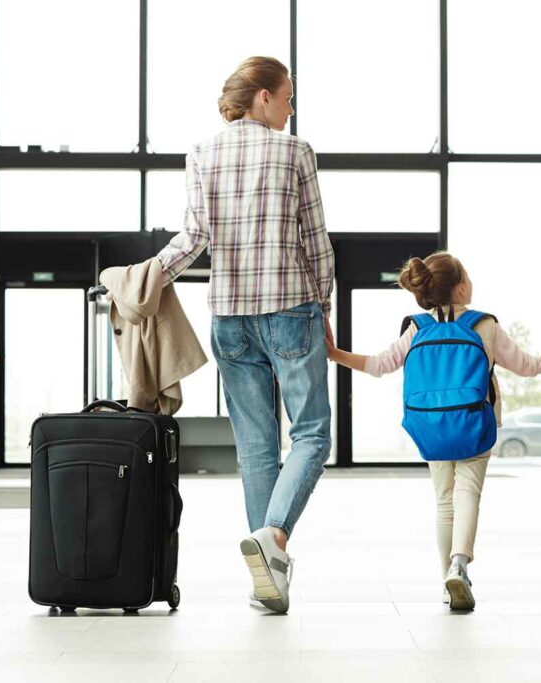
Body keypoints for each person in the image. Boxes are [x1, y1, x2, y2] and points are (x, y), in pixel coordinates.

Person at [155, 56, 335, 614]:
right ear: (262, 97)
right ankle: (274, 536)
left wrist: (148, 277)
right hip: (289, 309)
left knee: (256, 446)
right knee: (310, 435)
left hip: (229, 317)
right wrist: (323, 305)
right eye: (287, 97)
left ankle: (271, 578)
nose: (290, 107)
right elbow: (315, 241)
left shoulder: (203, 153)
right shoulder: (294, 151)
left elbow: (193, 238)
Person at [327, 252, 541, 610]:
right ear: (461, 286)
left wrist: (334, 353)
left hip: (430, 426)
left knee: (444, 501)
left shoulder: (416, 327)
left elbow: (379, 364)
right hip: (475, 422)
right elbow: (526, 365)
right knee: (468, 493)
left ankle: (448, 581)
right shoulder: (484, 325)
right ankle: (459, 566)